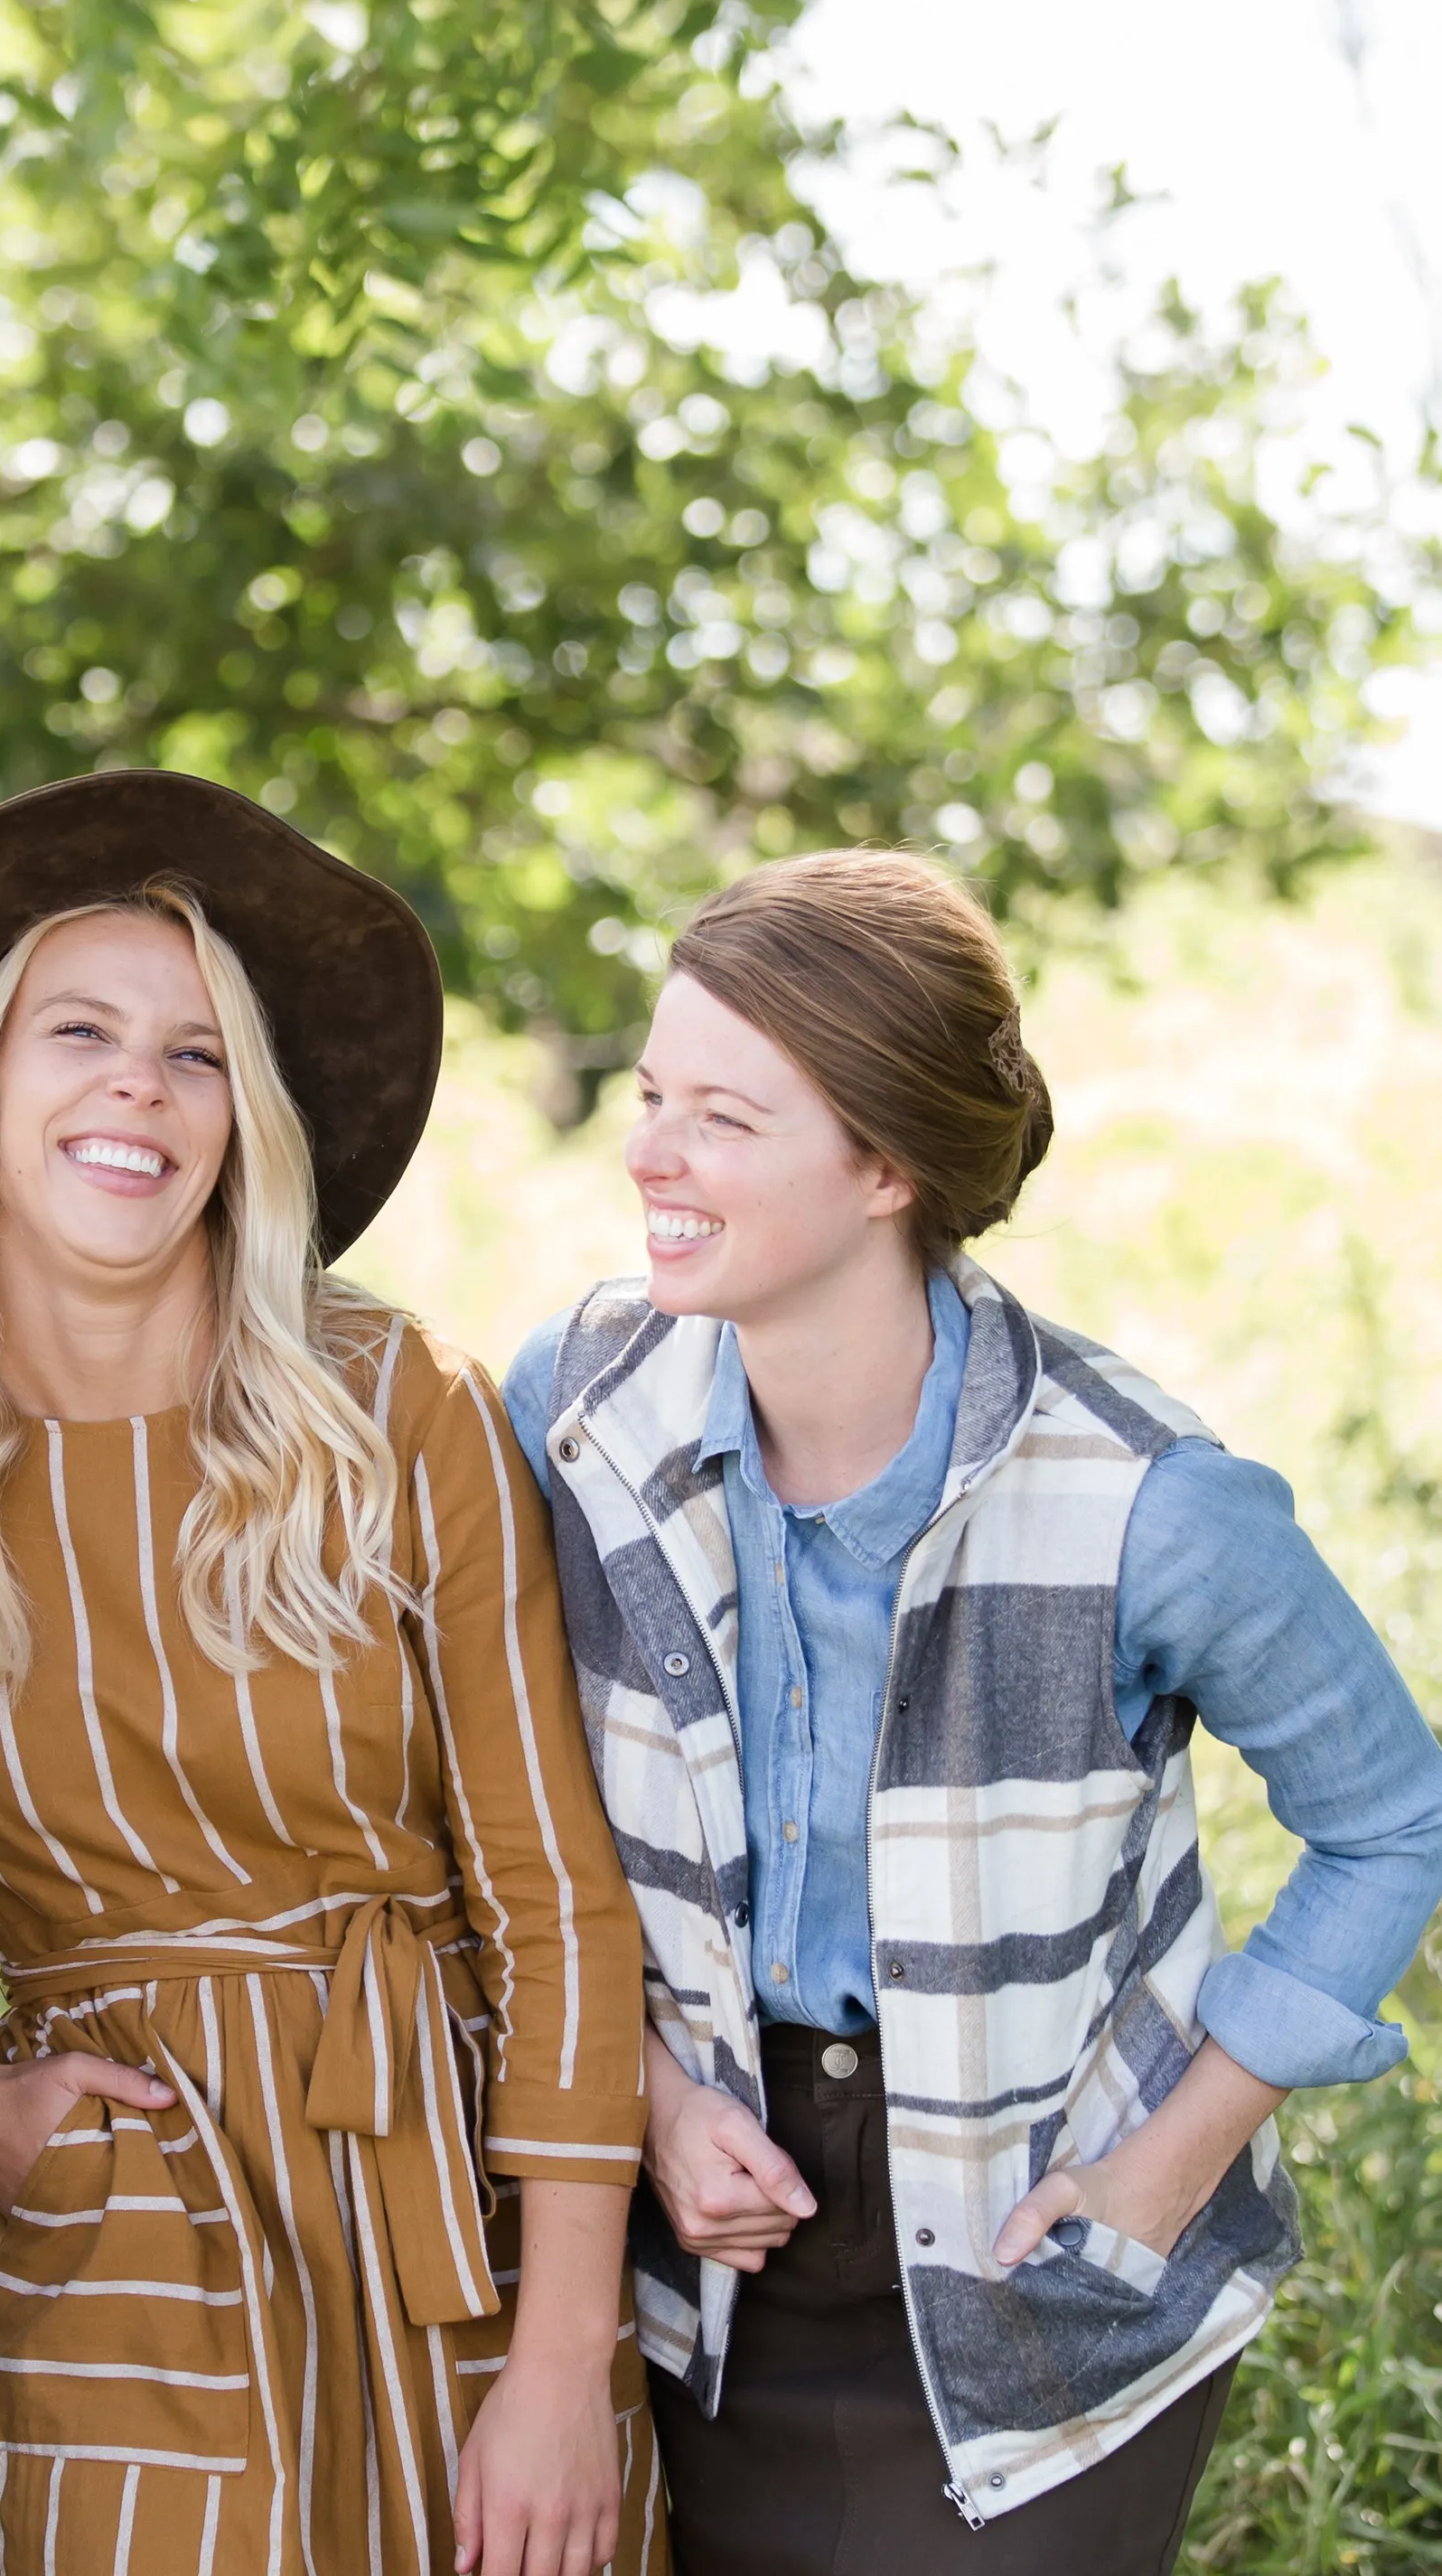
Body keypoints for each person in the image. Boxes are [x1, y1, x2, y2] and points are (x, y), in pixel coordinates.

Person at [0, 768, 665, 2576]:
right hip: (125, 2216)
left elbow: (557, 1902)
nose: (138, 1089)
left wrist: (563, 2354)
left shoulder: (399, 1407)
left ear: (242, 1116)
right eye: (80, 1030)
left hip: (452, 2212)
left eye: (195, 1055)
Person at [502, 849, 1442, 2576]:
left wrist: (1167, 2167)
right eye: (650, 1098)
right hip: (693, 2273)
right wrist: (638, 2088)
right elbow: (487, 1804)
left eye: (722, 1115)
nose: (645, 1153)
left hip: (1051, 2289)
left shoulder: (1151, 1503)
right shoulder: (571, 1414)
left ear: (883, 1164)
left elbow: (1393, 1820)